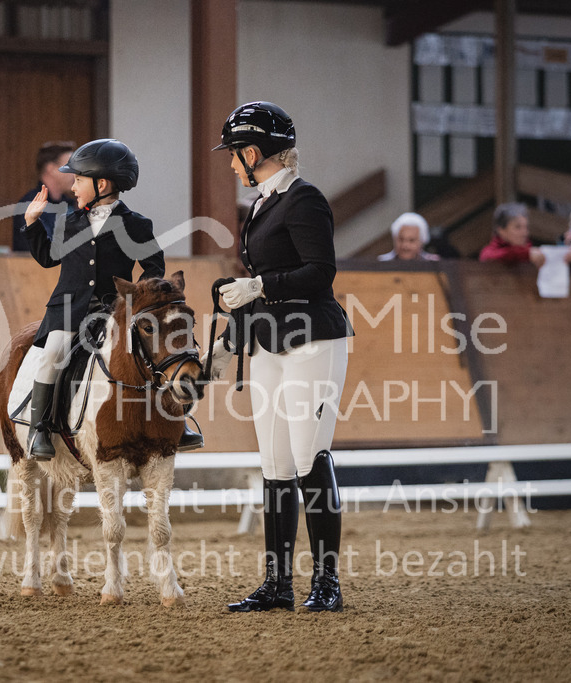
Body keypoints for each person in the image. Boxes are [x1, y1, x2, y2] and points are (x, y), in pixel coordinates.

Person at [207, 101, 353, 613]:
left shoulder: (304, 199)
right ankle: (278, 584)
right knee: (274, 464)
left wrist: (258, 283)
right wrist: (228, 344)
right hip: (269, 342)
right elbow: (258, 294)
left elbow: (321, 272)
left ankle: (327, 583)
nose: (230, 165)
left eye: (233, 155)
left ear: (253, 153)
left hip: (313, 338)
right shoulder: (263, 205)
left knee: (309, 457)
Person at [21, 138, 202, 458]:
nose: (73, 187)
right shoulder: (69, 221)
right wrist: (33, 223)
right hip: (69, 310)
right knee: (52, 356)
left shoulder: (136, 225)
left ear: (101, 183)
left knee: (154, 355)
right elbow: (49, 258)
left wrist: (140, 298)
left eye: (78, 180)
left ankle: (179, 420)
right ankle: (41, 429)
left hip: (115, 310)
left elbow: (153, 268)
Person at [13, 141, 78, 251]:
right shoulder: (30, 204)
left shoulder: (71, 204)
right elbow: (36, 249)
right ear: (51, 169)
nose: (75, 173)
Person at [479, 202, 571, 266]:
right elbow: (488, 257)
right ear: (501, 230)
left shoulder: (530, 253)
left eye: (526, 227)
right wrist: (526, 254)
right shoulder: (490, 251)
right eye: (517, 227)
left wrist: (565, 256)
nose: (524, 232)